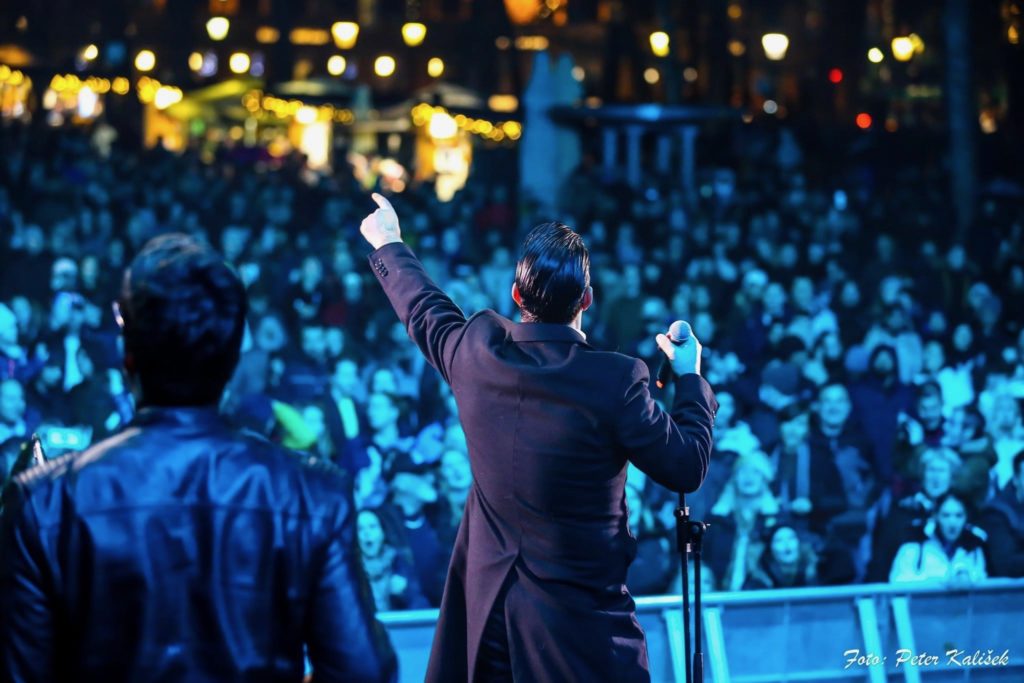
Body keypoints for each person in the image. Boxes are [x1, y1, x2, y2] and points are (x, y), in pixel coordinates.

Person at [0, 233, 396, 682]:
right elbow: (363, 671)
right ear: (232, 357)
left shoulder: (45, 500)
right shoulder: (312, 493)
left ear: (127, 354)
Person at [359, 194, 717, 683]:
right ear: (587, 299)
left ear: (516, 295)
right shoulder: (616, 380)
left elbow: (424, 308)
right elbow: (687, 466)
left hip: (489, 626)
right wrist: (690, 377)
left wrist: (388, 241)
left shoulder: (478, 353)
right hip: (582, 635)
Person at [889, 491, 987, 585]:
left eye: (958, 515)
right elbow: (897, 582)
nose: (952, 522)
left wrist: (967, 578)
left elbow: (982, 580)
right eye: (946, 515)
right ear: (936, 516)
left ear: (966, 517)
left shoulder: (974, 548)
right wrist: (941, 581)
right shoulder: (914, 545)